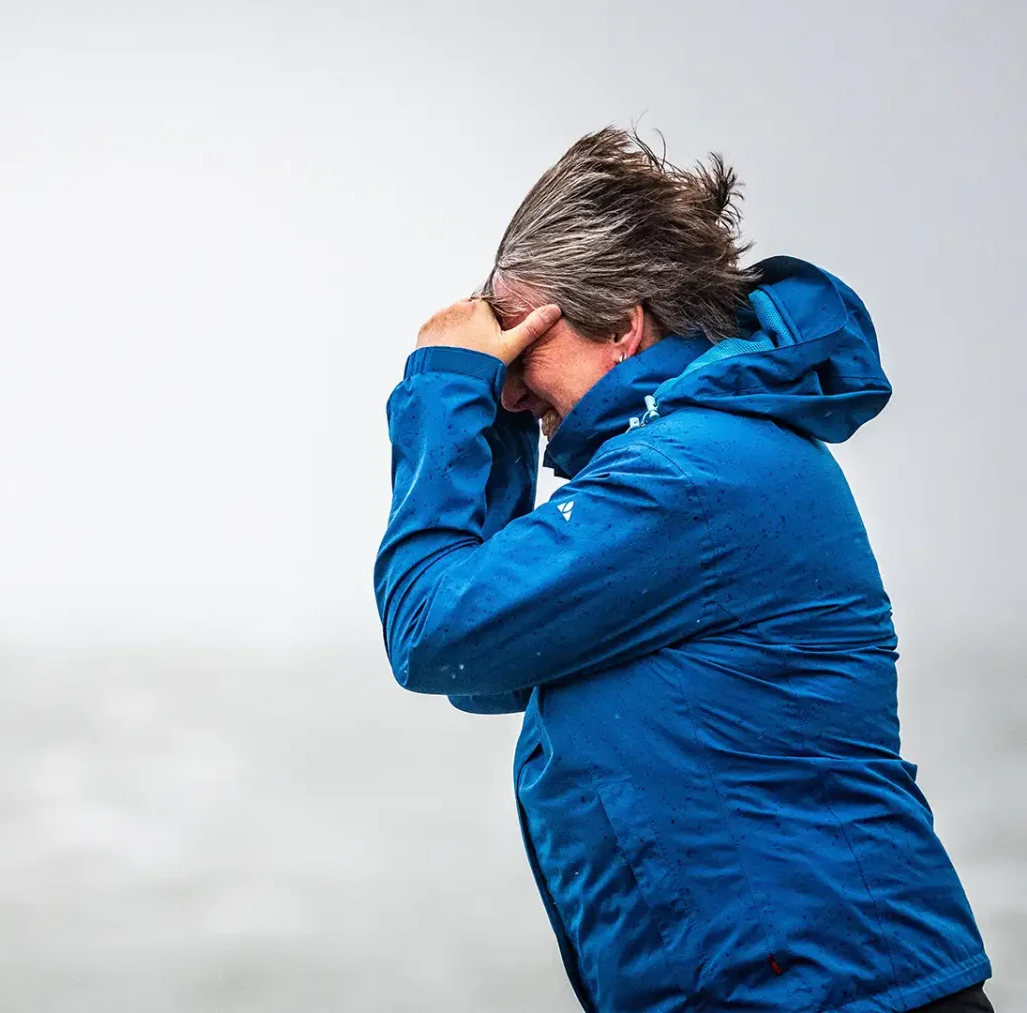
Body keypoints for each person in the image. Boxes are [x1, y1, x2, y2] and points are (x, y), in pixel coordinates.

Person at [373, 128, 993, 1012]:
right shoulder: (691, 462)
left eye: (519, 343)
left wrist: (445, 386)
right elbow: (490, 666)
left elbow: (436, 635)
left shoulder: (684, 478)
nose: (506, 382)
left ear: (622, 328)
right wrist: (500, 414)